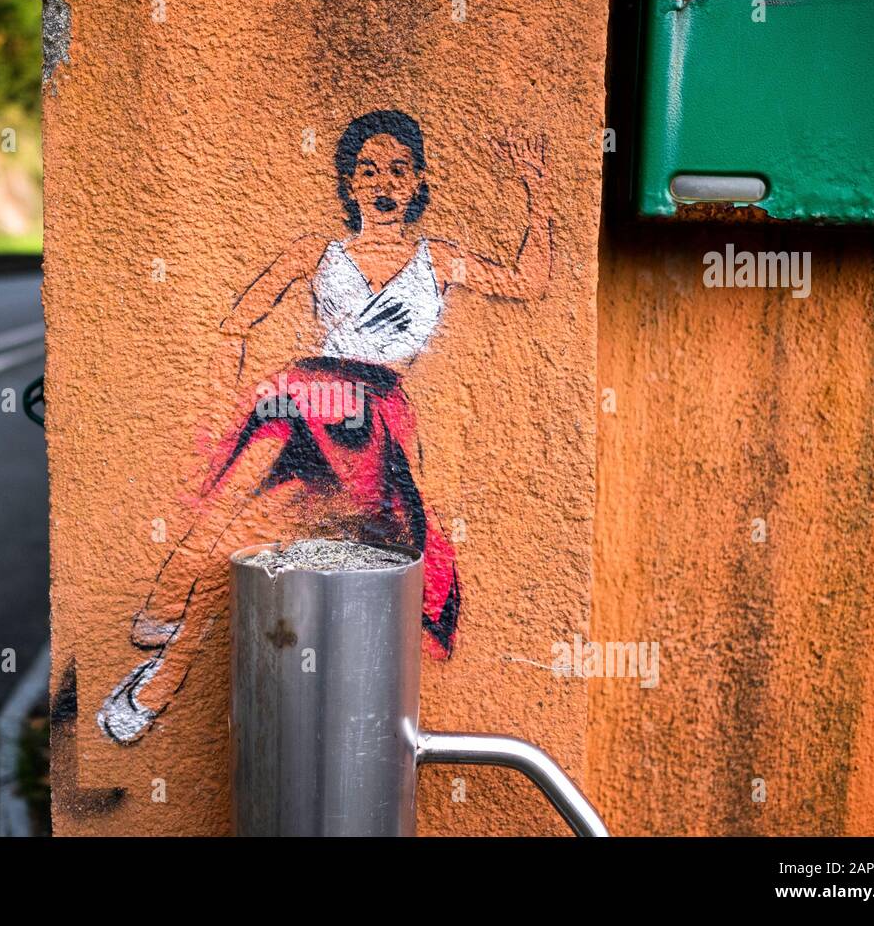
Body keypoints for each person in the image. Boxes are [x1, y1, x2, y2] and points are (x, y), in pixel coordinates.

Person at [98, 110, 553, 743]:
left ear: (420, 179)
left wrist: (537, 191)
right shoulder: (320, 252)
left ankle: (166, 621)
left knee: (278, 522)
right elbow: (240, 319)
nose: (383, 181)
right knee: (237, 510)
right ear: (349, 183)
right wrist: (227, 398)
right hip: (306, 395)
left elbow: (529, 282)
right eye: (367, 169)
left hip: (373, 417)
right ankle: (165, 658)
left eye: (398, 168)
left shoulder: (439, 260)